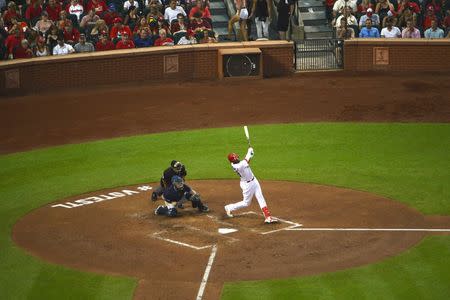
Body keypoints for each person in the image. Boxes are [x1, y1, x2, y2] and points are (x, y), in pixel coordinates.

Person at [224, 147, 277, 224]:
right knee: (246, 203)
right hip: (247, 185)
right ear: (233, 161)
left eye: (237, 157)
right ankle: (229, 207)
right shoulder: (237, 166)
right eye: (235, 159)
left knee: (260, 197)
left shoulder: (238, 163)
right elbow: (246, 160)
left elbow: (247, 159)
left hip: (254, 180)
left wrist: (250, 153)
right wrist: (250, 152)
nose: (237, 159)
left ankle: (268, 217)